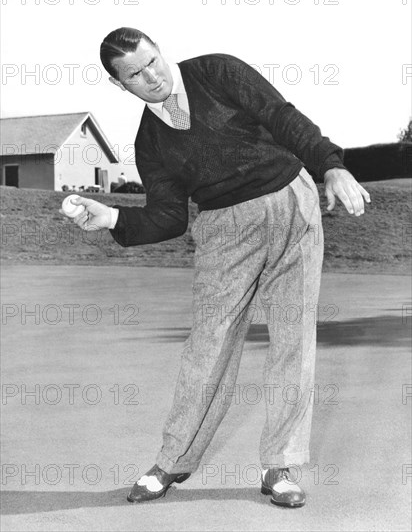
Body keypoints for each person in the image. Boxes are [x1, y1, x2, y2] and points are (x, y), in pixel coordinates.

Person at [65, 27, 370, 508]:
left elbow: (281, 117)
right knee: (207, 347)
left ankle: (279, 466)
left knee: (293, 341)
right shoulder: (150, 142)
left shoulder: (218, 72)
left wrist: (329, 164)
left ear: (161, 52)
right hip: (225, 232)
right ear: (119, 85)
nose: (152, 77)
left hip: (292, 203)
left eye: (152, 62)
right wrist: (112, 217)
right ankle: (172, 459)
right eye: (135, 75)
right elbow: (168, 216)